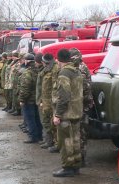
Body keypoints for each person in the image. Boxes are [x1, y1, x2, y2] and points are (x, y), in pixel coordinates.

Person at [52, 48, 83, 177]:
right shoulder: (76, 71)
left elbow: (64, 96)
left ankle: (67, 167)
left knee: (65, 141)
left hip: (67, 113)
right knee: (75, 140)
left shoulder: (64, 73)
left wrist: (58, 114)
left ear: (59, 60)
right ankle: (76, 165)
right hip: (76, 112)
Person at [69, 48, 93, 166]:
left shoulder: (81, 68)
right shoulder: (80, 67)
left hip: (82, 105)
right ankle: (79, 157)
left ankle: (81, 159)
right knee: (78, 132)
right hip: (81, 104)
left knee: (81, 133)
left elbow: (85, 88)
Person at [19, 53, 42, 143]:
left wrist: (22, 100)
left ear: (27, 61)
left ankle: (33, 137)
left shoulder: (27, 73)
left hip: (29, 100)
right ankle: (39, 136)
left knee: (30, 119)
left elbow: (25, 88)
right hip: (37, 99)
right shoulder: (39, 70)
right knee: (37, 118)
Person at [40, 53, 60, 151]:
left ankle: (56, 144)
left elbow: (55, 88)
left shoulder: (55, 69)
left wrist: (54, 102)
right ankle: (49, 141)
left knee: (53, 124)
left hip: (52, 102)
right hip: (46, 101)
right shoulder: (47, 69)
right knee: (46, 122)